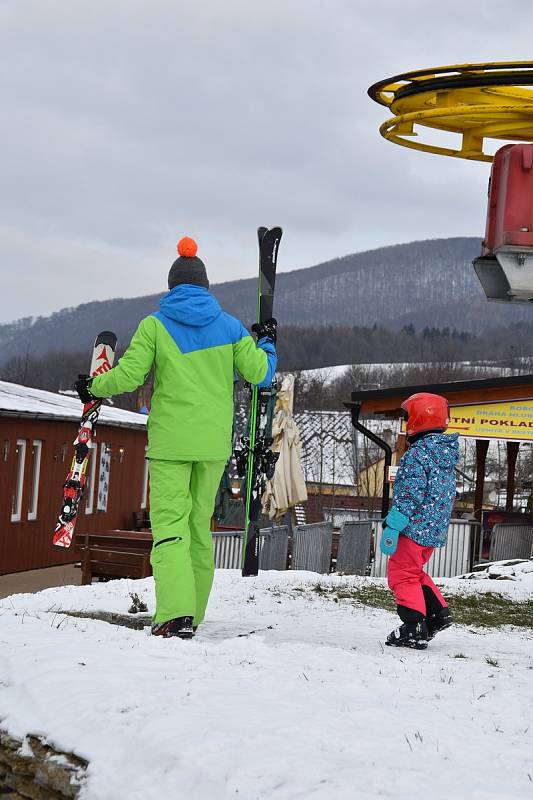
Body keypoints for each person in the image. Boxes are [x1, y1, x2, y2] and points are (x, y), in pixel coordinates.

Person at [75, 236, 277, 639]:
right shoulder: (231, 328)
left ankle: (174, 613)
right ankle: (193, 614)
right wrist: (267, 341)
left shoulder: (155, 325)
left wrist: (95, 387)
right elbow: (262, 374)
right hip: (213, 445)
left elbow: (130, 376)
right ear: (204, 286)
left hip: (171, 443)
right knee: (199, 527)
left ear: (172, 287)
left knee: (170, 527)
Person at [380, 392, 459, 650]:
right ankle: (438, 615)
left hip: (412, 527)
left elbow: (410, 494)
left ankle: (413, 627)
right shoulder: (443, 456)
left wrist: (393, 523)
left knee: (402, 575)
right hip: (432, 531)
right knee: (413, 572)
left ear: (417, 419)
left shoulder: (417, 456)